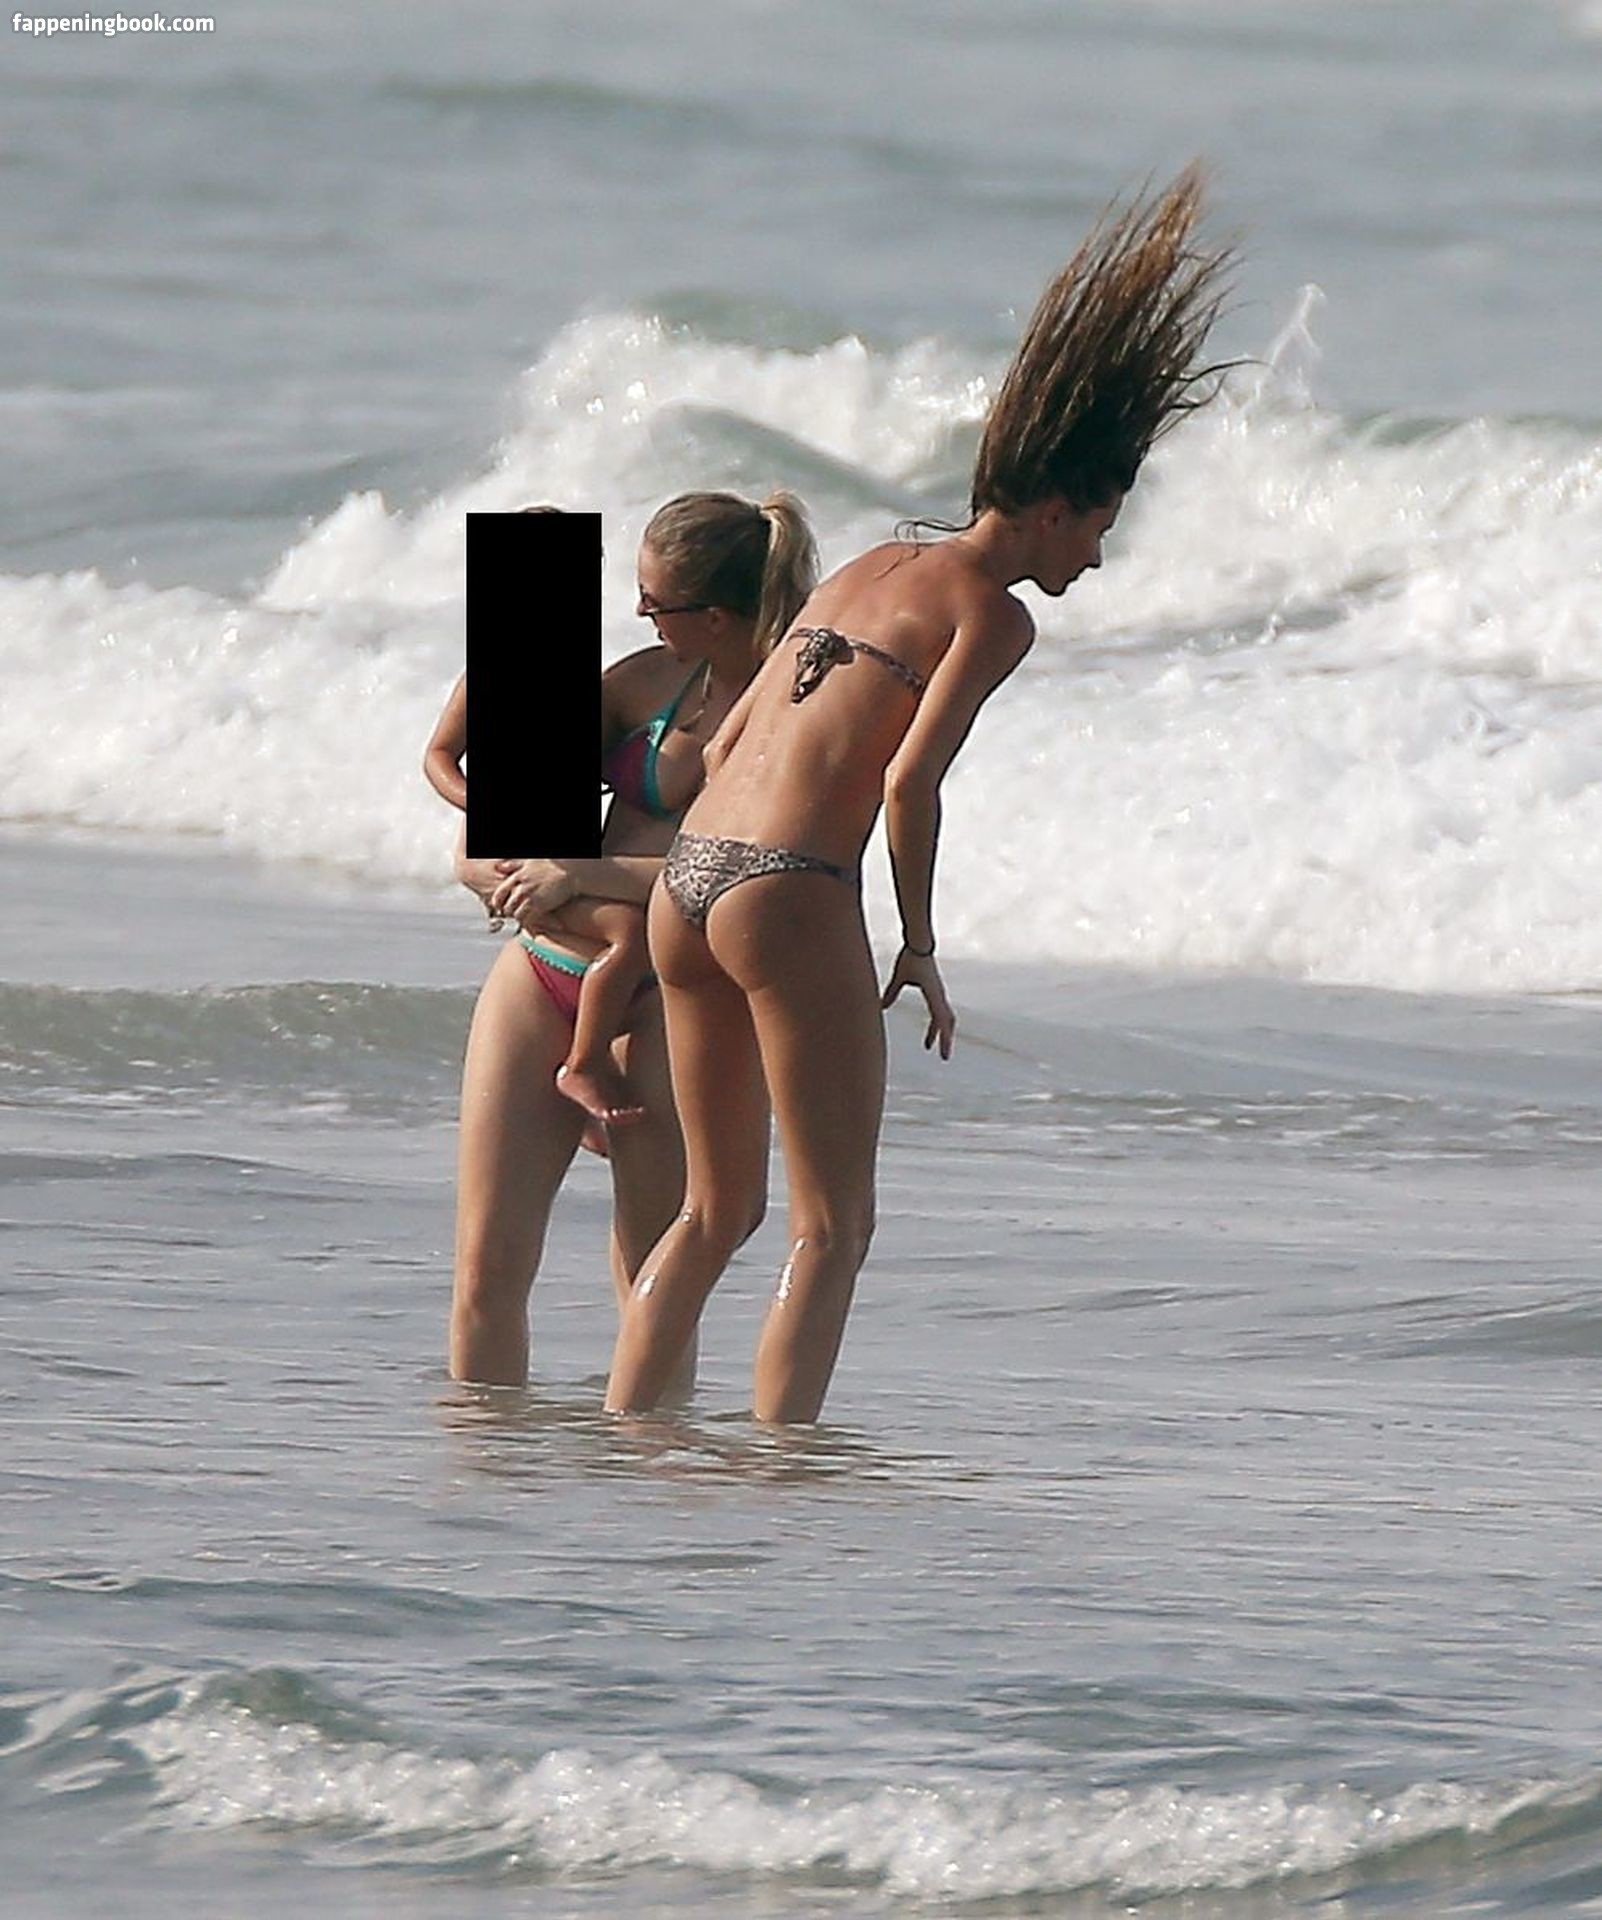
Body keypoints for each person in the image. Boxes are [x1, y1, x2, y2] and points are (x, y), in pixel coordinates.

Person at [604, 166, 1233, 1424]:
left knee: (712, 1211)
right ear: (1051, 508)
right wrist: (921, 945)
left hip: (688, 884)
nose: (1099, 555)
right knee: (832, 1227)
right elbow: (908, 782)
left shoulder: (870, 565)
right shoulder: (991, 615)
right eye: (1099, 527)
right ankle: (783, 1480)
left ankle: (622, 1448)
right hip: (784, 891)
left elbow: (729, 751)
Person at [442, 490, 819, 1388]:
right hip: (546, 969)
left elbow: (745, 878)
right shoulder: (650, 680)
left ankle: (641, 1472)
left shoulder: (793, 714)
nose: (640, 615)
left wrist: (583, 874)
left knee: (653, 1281)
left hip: (674, 995)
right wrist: (482, 858)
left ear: (716, 615)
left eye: (657, 602)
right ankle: (484, 1462)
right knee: (485, 1273)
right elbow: (518, 786)